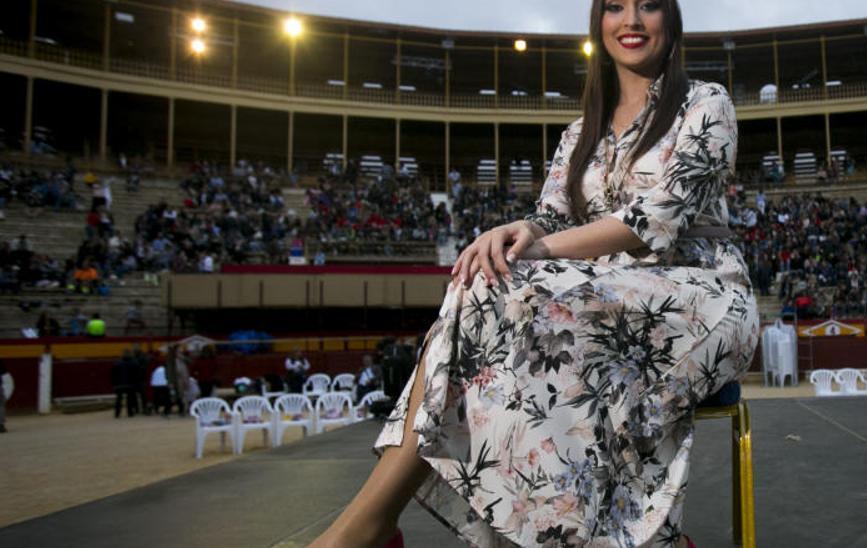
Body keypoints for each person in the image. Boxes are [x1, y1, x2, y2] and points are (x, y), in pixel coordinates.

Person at [313, 1, 758, 545]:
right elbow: (548, 217)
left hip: (701, 293)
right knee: (481, 280)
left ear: (672, 19)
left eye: (649, 5)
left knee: (526, 302)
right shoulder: (579, 134)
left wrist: (539, 246)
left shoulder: (706, 102)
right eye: (615, 6)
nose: (632, 20)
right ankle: (372, 523)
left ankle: (362, 531)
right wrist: (511, 232)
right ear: (599, 23)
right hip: (600, 293)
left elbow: (655, 220)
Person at [111, 350, 138, 418]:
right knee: (129, 399)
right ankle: (130, 413)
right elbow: (136, 375)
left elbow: (113, 375)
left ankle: (117, 414)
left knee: (119, 399)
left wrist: (114, 384)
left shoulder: (117, 363)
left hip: (119, 385)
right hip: (130, 385)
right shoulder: (133, 363)